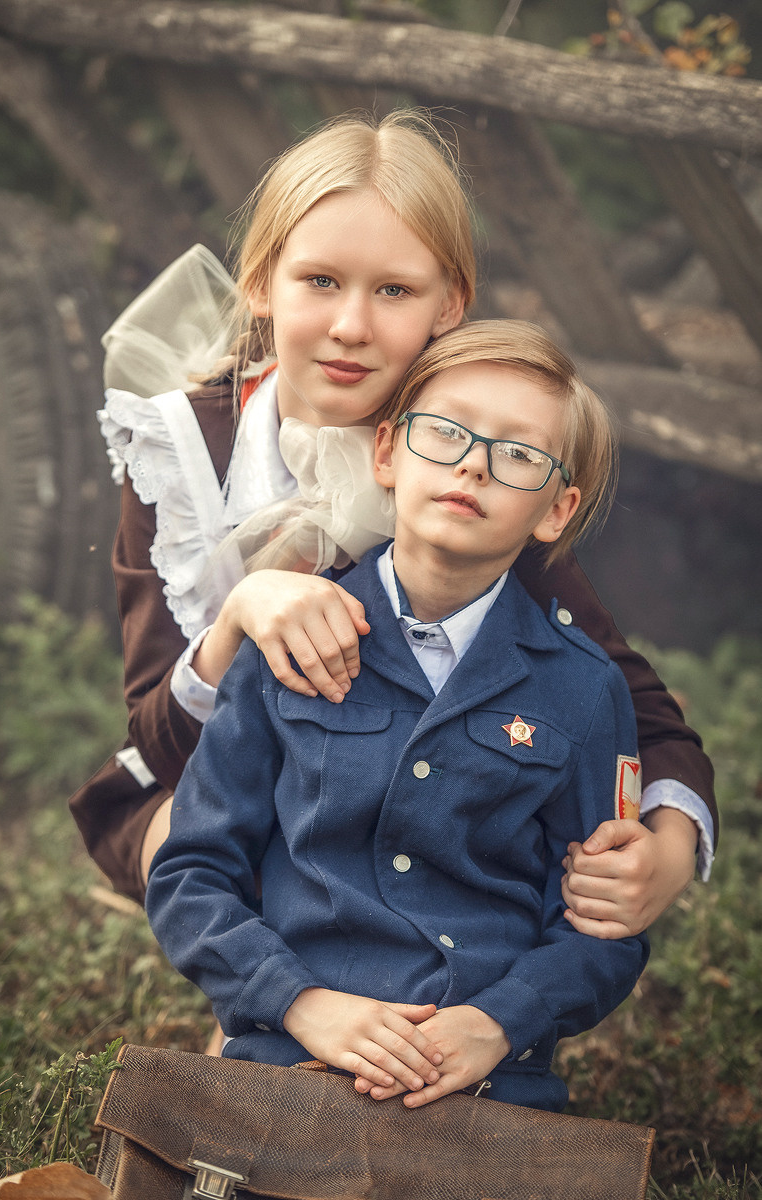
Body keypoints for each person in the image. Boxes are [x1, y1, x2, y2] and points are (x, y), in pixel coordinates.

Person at [69, 109, 715, 938]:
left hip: (412, 807)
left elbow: (633, 701)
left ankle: (434, 993)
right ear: (261, 282)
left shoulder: (466, 467)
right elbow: (158, 740)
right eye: (320, 281)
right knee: (192, 834)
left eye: (395, 291)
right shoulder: (181, 452)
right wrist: (238, 616)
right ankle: (267, 1017)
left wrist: (667, 843)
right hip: (231, 787)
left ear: (449, 304)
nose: (351, 327)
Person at [146, 319, 649, 1112]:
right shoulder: (291, 645)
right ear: (386, 454)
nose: (473, 466)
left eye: (517, 455)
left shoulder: (583, 691)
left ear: (556, 510)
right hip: (289, 1056)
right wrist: (300, 1004)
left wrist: (493, 1023)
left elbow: (600, 928)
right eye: (444, 434)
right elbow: (189, 873)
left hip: (489, 1082)